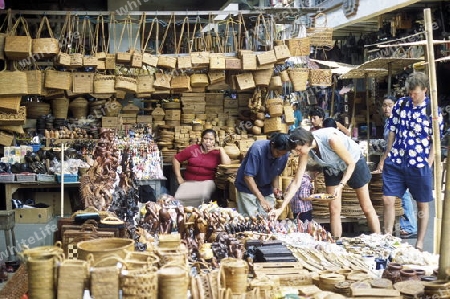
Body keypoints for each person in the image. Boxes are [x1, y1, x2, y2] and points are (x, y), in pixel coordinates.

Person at [272, 127, 381, 238]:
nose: (298, 153)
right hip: (332, 167)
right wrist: (281, 208)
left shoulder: (331, 140)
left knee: (366, 207)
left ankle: (379, 241)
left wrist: (341, 185)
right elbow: (296, 182)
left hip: (353, 162)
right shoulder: (304, 150)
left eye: (299, 150)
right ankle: (336, 243)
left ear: (305, 143)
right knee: (334, 209)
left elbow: (351, 164)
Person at [378, 72, 443, 251]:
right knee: (388, 199)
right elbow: (392, 129)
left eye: (415, 93)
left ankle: (420, 243)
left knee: (422, 203)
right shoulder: (402, 104)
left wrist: (428, 162)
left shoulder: (433, 110)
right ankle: (388, 237)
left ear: (424, 90)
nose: (412, 96)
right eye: (410, 93)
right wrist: (387, 154)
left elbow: (436, 139)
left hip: (419, 163)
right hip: (397, 160)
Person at [376, 95, 417, 239]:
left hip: (400, 161)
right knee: (398, 195)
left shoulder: (399, 122)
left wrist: (383, 161)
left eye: (390, 105)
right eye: (384, 105)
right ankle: (404, 225)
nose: (387, 108)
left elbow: (393, 145)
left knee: (403, 195)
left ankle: (409, 226)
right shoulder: (388, 122)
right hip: (394, 161)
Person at [235, 132, 293, 217]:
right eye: (278, 152)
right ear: (272, 145)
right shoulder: (258, 149)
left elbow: (276, 174)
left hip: (266, 187)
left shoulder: (284, 154)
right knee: (251, 219)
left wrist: (276, 189)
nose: (280, 156)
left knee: (268, 217)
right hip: (247, 187)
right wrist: (261, 198)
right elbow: (248, 177)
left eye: (283, 154)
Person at [172, 129, 231, 207]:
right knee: (178, 197)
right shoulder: (194, 149)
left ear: (215, 140)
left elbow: (227, 164)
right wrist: (179, 177)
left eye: (211, 139)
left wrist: (221, 149)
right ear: (202, 139)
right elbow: (176, 159)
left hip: (207, 182)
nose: (208, 141)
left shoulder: (217, 153)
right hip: (189, 181)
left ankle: (198, 215)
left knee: (202, 196)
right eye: (205, 138)